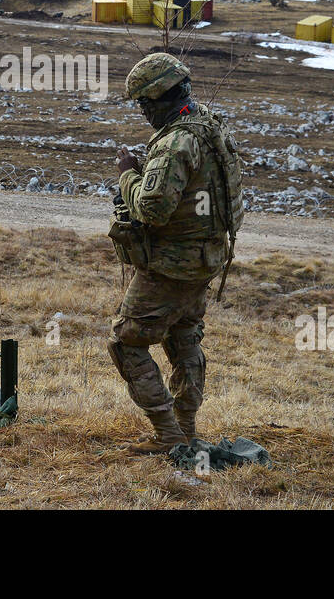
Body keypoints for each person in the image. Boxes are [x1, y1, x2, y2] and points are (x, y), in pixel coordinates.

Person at [109, 52, 243, 454]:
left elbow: (152, 208)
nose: (143, 111)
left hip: (170, 266)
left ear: (159, 98)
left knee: (126, 342)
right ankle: (185, 430)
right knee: (184, 339)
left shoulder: (175, 143)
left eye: (144, 103)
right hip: (206, 259)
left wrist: (129, 174)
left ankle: (169, 436)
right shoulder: (209, 126)